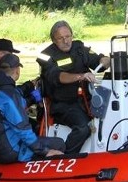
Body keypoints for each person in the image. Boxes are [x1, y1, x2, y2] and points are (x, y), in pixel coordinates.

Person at [37, 21, 111, 154]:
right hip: (63, 104)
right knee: (83, 128)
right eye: (61, 38)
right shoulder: (46, 55)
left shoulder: (79, 48)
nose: (66, 41)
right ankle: (65, 156)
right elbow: (58, 76)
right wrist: (81, 76)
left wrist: (105, 60)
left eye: (68, 36)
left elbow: (98, 61)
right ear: (54, 40)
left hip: (86, 100)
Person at [0, 54, 65, 162]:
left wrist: (29, 87)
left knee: (35, 129)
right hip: (10, 151)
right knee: (59, 143)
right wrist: (45, 151)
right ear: (17, 71)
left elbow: (16, 98)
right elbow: (23, 128)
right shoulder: (10, 96)